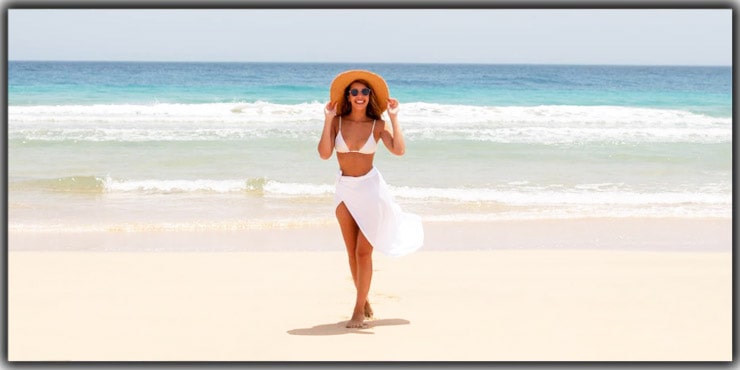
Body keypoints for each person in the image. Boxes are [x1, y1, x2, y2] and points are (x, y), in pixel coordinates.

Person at [317, 70, 424, 328]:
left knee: (364, 253)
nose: (359, 96)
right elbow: (324, 154)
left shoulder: (377, 125)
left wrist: (394, 118)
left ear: (370, 96)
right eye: (354, 92)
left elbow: (398, 150)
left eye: (364, 92)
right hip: (344, 190)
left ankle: (357, 310)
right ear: (348, 96)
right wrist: (327, 119)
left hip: (370, 192)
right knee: (352, 254)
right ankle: (364, 300)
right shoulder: (338, 122)